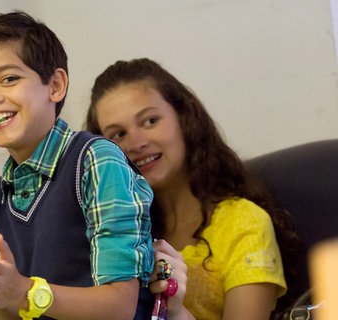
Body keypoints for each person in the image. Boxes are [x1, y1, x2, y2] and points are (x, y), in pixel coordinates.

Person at [0, 11, 157, 320]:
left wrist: (25, 292)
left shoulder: (96, 161)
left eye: (9, 79)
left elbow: (120, 306)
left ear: (55, 86)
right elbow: (11, 312)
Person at [85, 58, 301, 320]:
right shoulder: (111, 231)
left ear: (185, 119)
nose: (136, 143)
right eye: (118, 134)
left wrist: (176, 311)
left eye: (150, 121)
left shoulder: (244, 223)